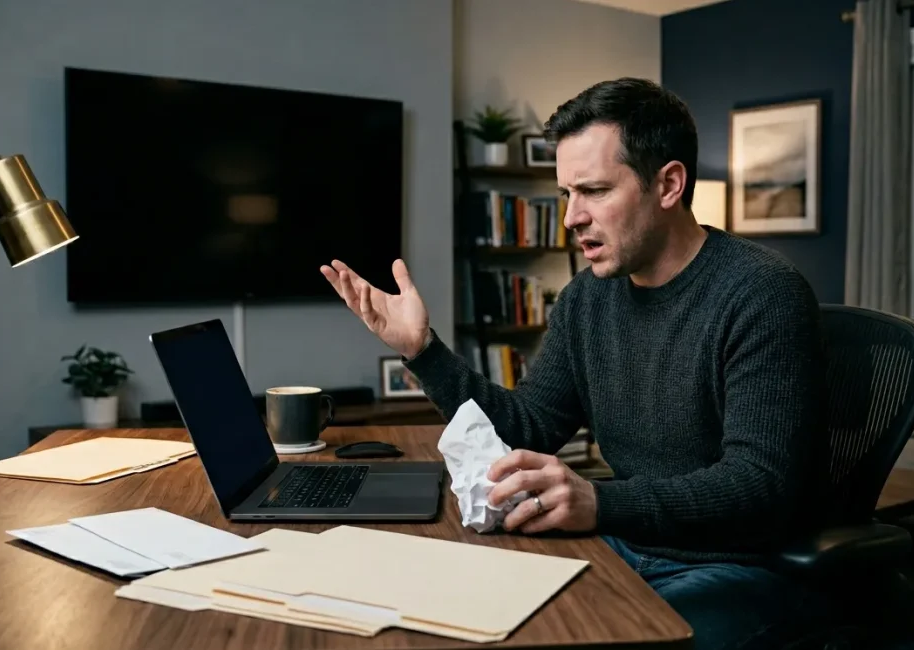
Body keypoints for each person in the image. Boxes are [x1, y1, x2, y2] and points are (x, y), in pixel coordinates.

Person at [320, 78, 830, 650]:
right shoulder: (587, 298)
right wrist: (423, 351)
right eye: (566, 193)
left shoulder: (762, 293)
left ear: (668, 184)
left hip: (738, 566)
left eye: (593, 191)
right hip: (623, 540)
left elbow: (760, 487)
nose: (571, 218)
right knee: (465, 608)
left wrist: (599, 501)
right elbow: (528, 428)